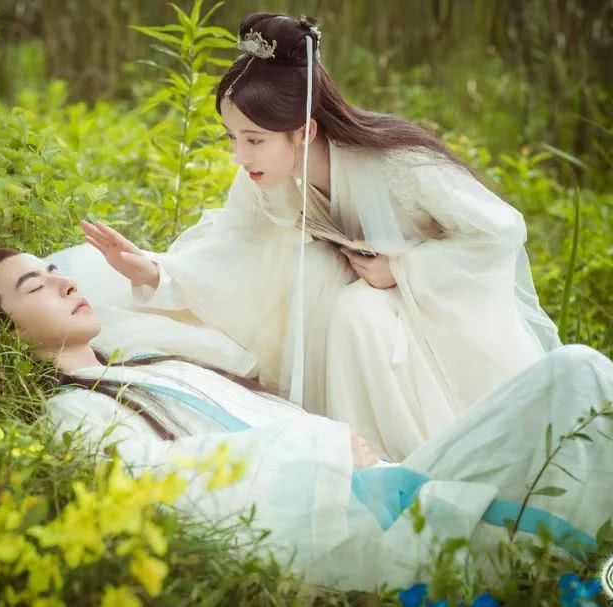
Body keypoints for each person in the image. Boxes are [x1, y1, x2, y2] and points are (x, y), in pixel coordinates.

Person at [0, 248, 613, 592]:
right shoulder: (73, 413)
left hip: (383, 480)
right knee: (576, 379)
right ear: (2, 332)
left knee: (574, 376)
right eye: (35, 286)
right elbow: (159, 488)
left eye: (55, 270)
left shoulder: (147, 363)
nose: (63, 283)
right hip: (348, 516)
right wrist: (324, 449)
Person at [80, 12, 560, 462]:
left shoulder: (400, 166)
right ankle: (346, 452)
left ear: (305, 131)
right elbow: (234, 247)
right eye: (232, 137)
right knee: (319, 278)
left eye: (254, 139)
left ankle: (408, 456)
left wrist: (401, 268)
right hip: (357, 306)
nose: (240, 156)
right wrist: (154, 272)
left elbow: (500, 231)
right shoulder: (263, 175)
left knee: (360, 311)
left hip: (436, 309)